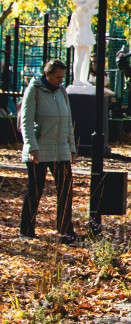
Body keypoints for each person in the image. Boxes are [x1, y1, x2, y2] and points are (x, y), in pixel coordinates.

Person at [19, 60, 77, 243]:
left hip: (60, 149)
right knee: (35, 191)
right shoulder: (34, 90)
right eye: (57, 77)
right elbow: (26, 122)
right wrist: (31, 147)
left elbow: (68, 121)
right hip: (39, 149)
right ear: (48, 74)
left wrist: (72, 146)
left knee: (66, 189)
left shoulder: (62, 92)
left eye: (63, 77)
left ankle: (65, 230)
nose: (61, 81)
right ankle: (26, 231)